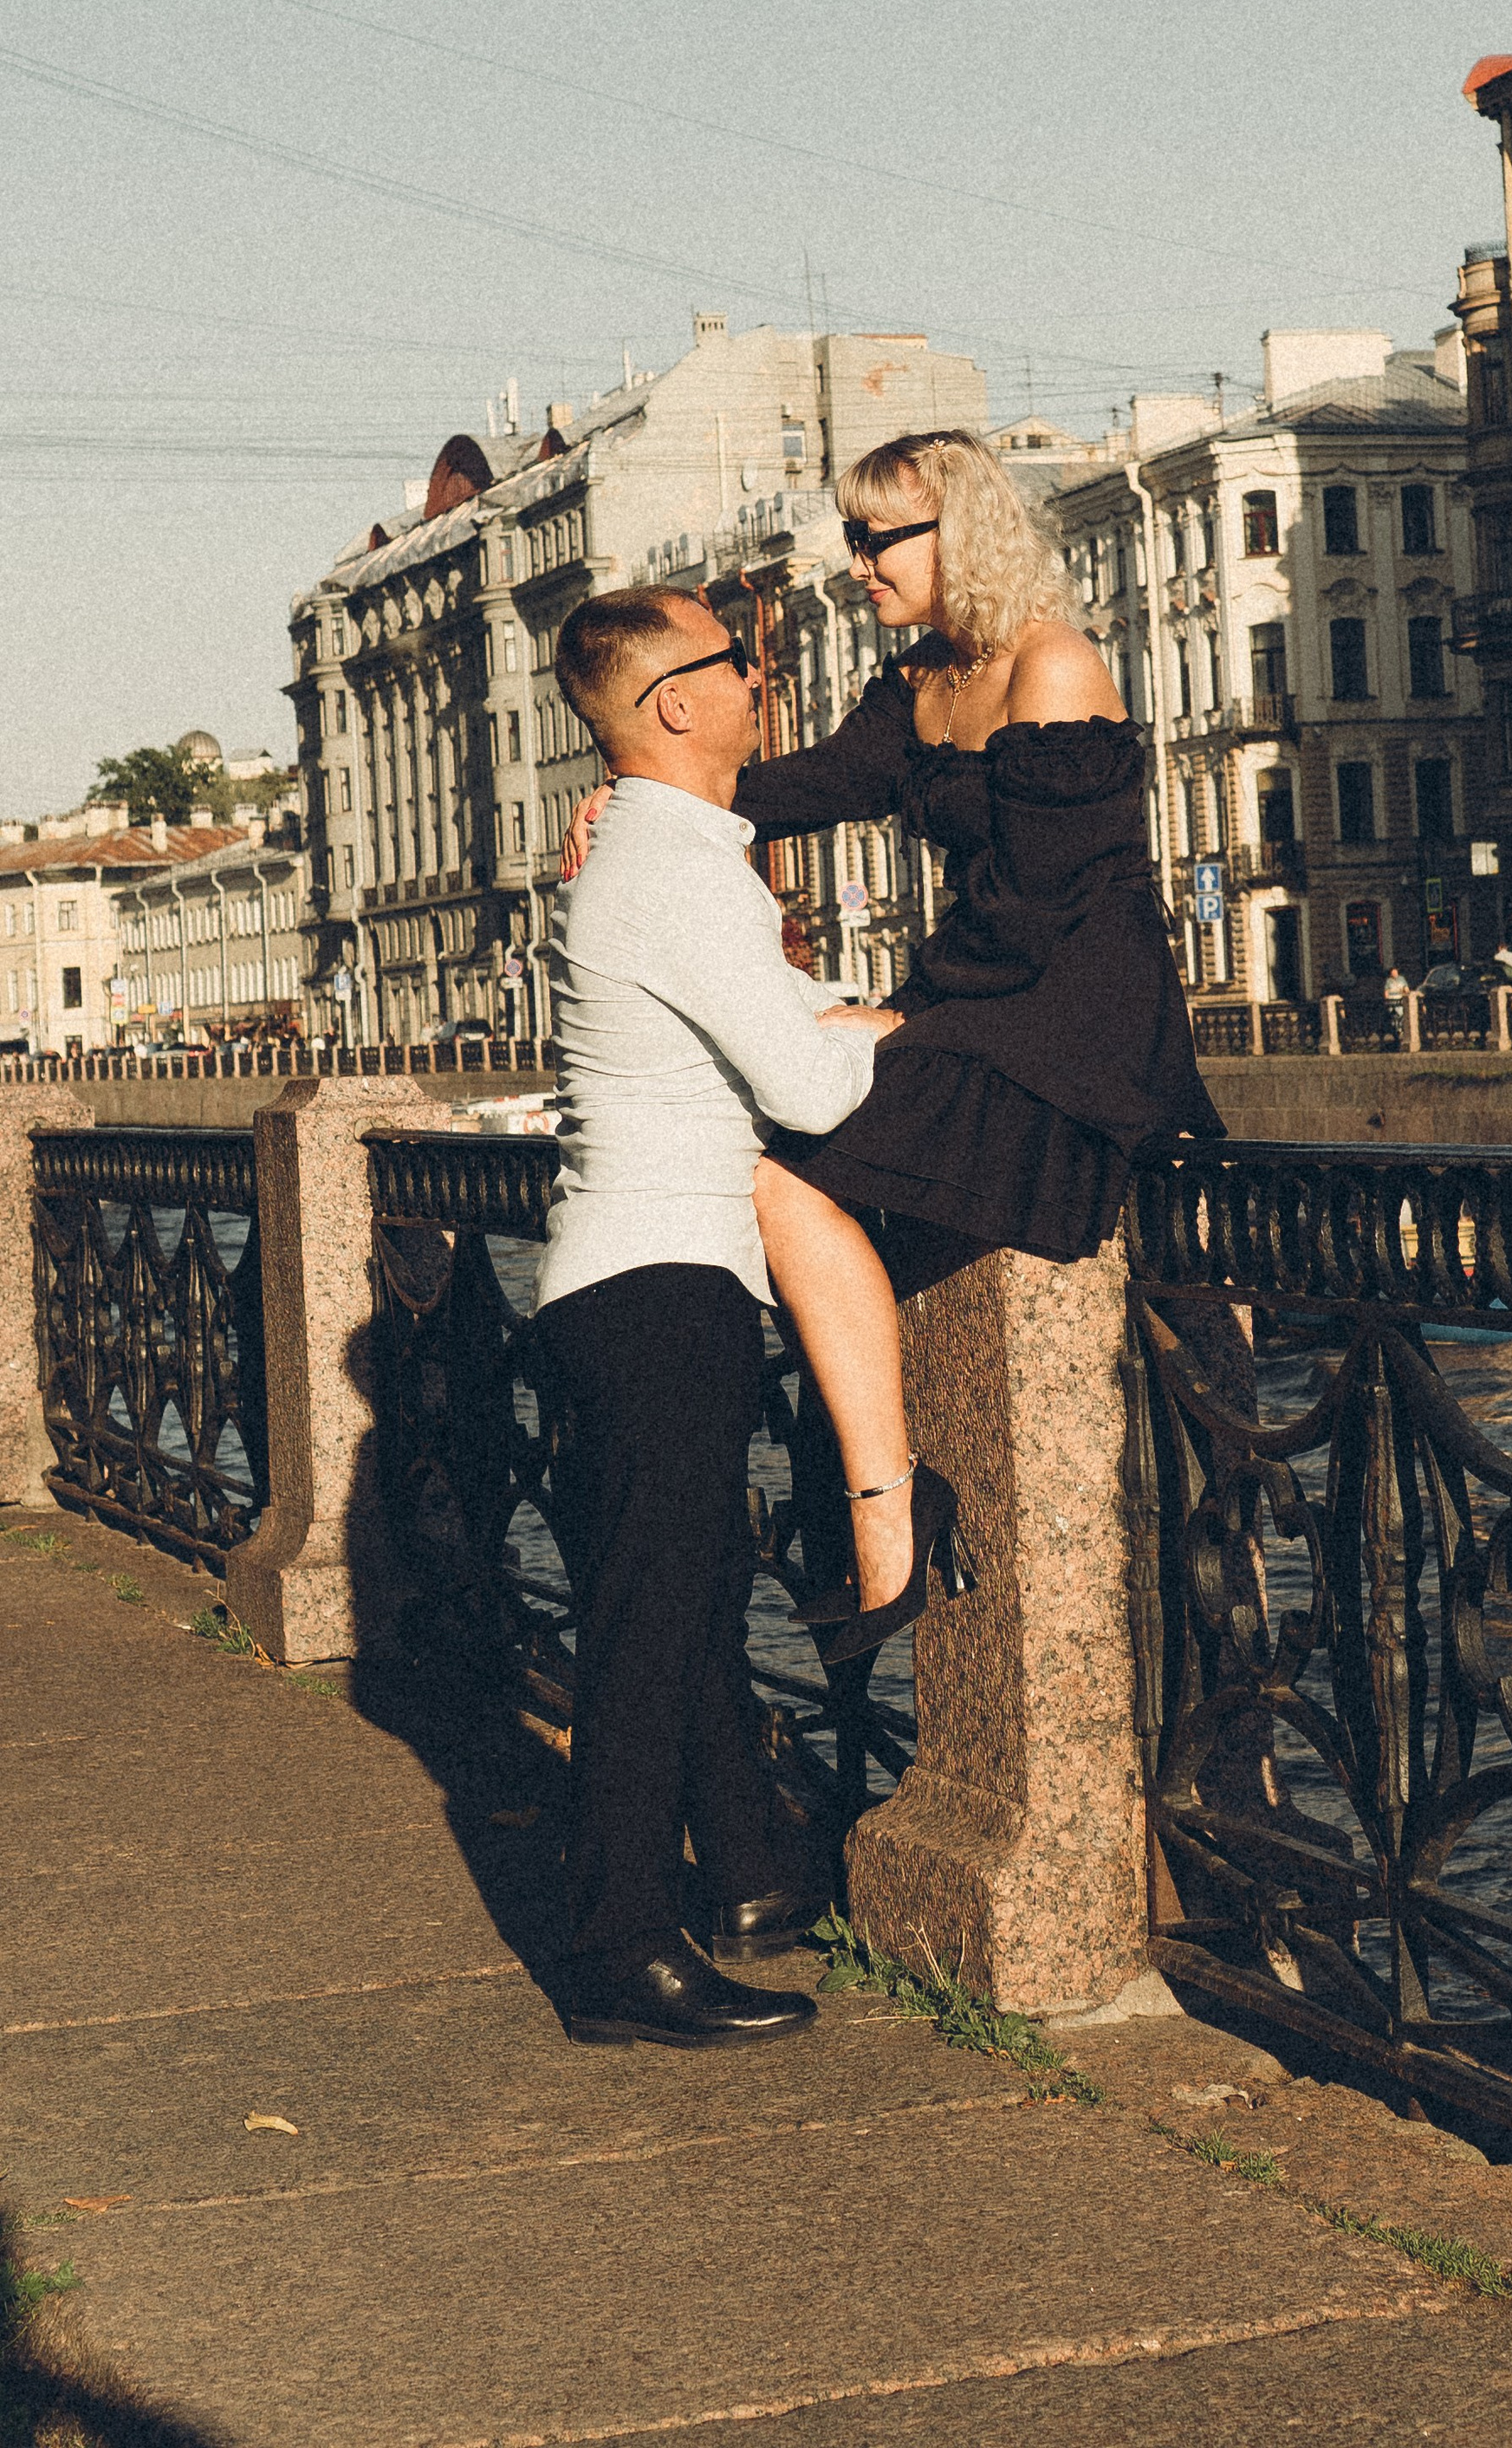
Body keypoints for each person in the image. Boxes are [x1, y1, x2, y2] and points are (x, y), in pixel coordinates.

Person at [566, 426, 1222, 1653]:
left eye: (877, 539)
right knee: (784, 1169)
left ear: (958, 532)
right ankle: (880, 1506)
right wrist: (641, 793)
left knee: (792, 1166)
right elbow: (794, 787)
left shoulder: (1054, 669)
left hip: (1080, 1032)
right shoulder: (918, 685)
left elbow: (1046, 915)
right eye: (854, 539)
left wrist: (910, 1021)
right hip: (984, 1012)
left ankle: (878, 1513)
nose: (856, 564)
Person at [534, 584, 902, 2049]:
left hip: (625, 1279)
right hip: (662, 1283)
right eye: (738, 662)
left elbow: (759, 1023)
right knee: (650, 1625)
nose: (764, 679)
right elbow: (806, 1088)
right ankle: (621, 1951)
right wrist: (903, 1031)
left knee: (678, 1621)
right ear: (673, 702)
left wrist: (843, 1011)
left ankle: (745, 1876)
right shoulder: (673, 872)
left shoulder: (656, 856)